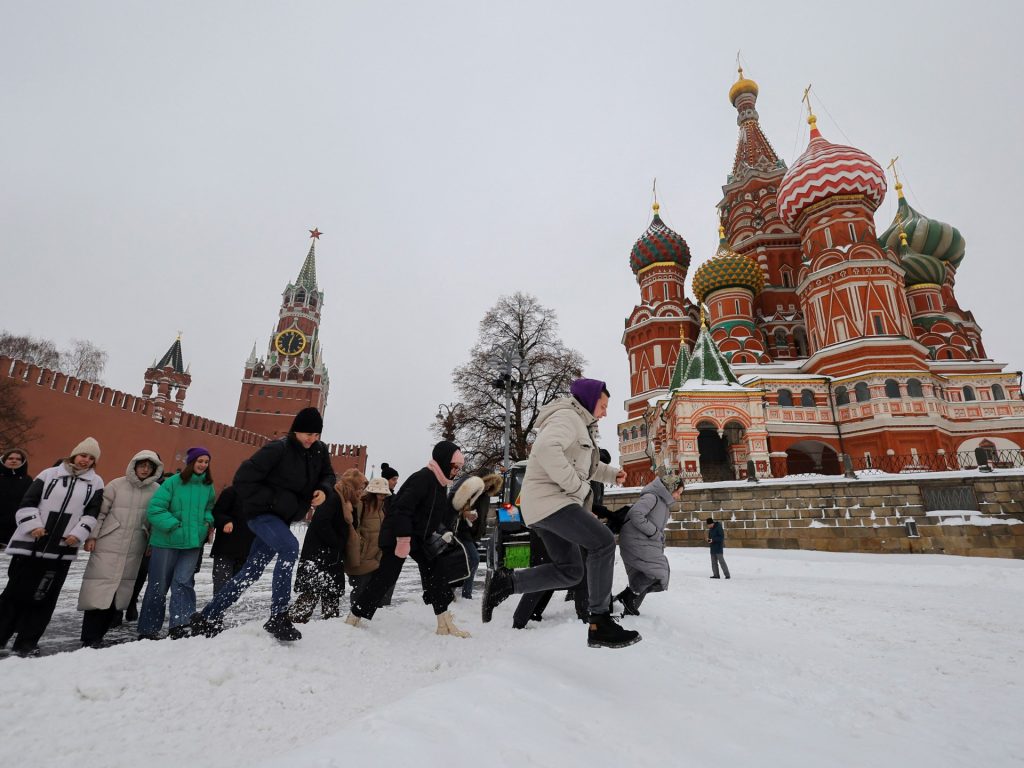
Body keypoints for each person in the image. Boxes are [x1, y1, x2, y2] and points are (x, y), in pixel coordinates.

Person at [481, 378, 641, 649]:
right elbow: (545, 450)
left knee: (570, 571)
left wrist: (613, 474)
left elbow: (586, 465)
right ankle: (600, 620)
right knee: (602, 542)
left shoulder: (580, 425)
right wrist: (576, 487)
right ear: (590, 401)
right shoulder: (568, 418)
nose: (604, 412)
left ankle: (507, 583)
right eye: (602, 406)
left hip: (544, 505)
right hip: (551, 501)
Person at [190, 408, 336, 642]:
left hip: (283, 518)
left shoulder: (319, 451)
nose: (311, 438)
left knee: (251, 572)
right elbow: (243, 479)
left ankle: (208, 615)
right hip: (261, 515)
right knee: (289, 548)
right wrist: (273, 500)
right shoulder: (278, 449)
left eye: (315, 434)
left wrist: (323, 490)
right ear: (295, 429)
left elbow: (328, 475)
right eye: (306, 433)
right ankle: (278, 615)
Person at [345, 440, 471, 638]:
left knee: (437, 572)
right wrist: (403, 539)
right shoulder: (423, 478)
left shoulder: (440, 484)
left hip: (419, 537)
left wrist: (447, 526)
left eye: (459, 468)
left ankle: (444, 623)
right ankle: (354, 616)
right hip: (398, 534)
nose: (457, 471)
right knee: (386, 577)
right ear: (445, 462)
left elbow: (436, 515)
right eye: (455, 466)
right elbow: (401, 509)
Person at [0, 437, 104, 656]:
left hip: (61, 550)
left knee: (44, 597)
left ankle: (27, 642)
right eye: (83, 455)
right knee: (14, 594)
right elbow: (28, 502)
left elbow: (92, 513)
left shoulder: (96, 483)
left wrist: (78, 534)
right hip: (31, 545)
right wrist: (33, 526)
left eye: (91, 458)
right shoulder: (49, 474)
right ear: (75, 454)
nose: (85, 460)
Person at [77, 450, 164, 647]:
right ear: (134, 465)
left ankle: (99, 635)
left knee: (118, 593)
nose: (145, 469)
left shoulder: (156, 490)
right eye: (142, 465)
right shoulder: (116, 485)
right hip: (108, 543)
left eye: (149, 467)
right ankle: (90, 637)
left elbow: (154, 520)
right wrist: (92, 536)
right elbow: (101, 513)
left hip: (135, 547)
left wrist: (150, 543)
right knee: (99, 589)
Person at [137, 447, 215, 640]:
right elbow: (155, 509)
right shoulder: (173, 482)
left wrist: (206, 523)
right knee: (158, 585)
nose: (203, 465)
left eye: (206, 462)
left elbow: (209, 508)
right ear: (191, 462)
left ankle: (181, 624)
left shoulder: (207, 486)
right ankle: (148, 629)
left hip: (192, 544)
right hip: (166, 542)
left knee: (183, 583)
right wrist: (174, 525)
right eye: (200, 461)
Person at [290, 470, 362, 623]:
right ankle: (291, 627)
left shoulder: (347, 503)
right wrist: (336, 542)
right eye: (359, 488)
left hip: (331, 558)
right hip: (319, 557)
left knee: (331, 595)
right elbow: (321, 522)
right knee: (310, 594)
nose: (360, 492)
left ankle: (330, 629)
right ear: (351, 487)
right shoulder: (334, 499)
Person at [613, 467, 683, 616]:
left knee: (651, 574)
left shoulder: (663, 503)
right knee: (658, 573)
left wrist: (656, 537)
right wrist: (653, 533)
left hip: (643, 542)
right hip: (635, 541)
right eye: (678, 492)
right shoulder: (652, 497)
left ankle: (629, 603)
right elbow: (636, 513)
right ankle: (628, 597)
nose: (678, 496)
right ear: (671, 488)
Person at [450, 472, 501, 600]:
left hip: (474, 535)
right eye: (488, 482)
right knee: (474, 559)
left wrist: (481, 531)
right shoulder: (472, 492)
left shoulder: (486, 496)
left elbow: (483, 516)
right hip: (463, 531)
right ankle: (466, 593)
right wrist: (466, 513)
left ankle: (451, 590)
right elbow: (458, 506)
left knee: (465, 561)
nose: (489, 486)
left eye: (492, 484)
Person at [345, 476, 390, 607]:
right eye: (381, 493)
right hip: (361, 556)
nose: (383, 496)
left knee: (372, 591)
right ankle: (354, 618)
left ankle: (365, 618)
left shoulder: (381, 510)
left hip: (375, 557)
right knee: (359, 590)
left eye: (385, 494)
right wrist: (360, 546)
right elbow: (353, 528)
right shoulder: (361, 505)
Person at [210, 485, 256, 595]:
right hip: (225, 548)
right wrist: (226, 521)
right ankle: (216, 611)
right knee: (221, 586)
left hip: (247, 549)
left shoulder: (261, 497)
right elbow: (216, 513)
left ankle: (227, 609)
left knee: (237, 588)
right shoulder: (231, 492)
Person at [0, 448, 32, 548]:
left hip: (17, 526)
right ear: (4, 460)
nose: (14, 461)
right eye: (10, 458)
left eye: (18, 459)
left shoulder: (27, 480)